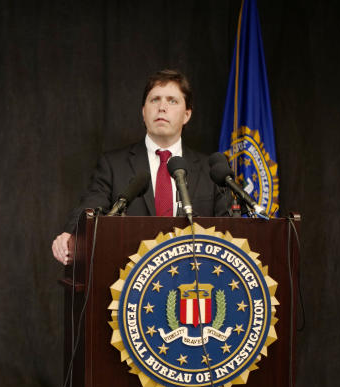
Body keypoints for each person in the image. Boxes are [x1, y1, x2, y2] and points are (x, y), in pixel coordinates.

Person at [51, 69, 231, 265]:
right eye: (155, 100)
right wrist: (71, 234)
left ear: (187, 114)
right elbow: (90, 207)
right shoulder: (113, 165)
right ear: (143, 112)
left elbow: (230, 230)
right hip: (130, 279)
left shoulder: (211, 169)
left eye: (172, 101)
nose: (162, 107)